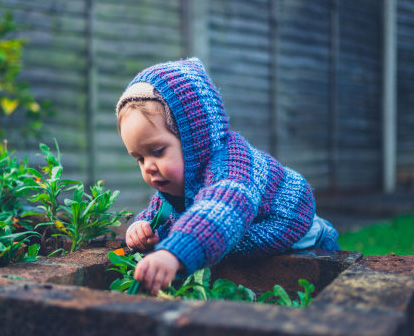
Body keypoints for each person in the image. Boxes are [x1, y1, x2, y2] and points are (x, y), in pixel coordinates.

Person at [115, 58, 339, 295]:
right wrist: (143, 227)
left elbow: (221, 209)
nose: (148, 166)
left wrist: (174, 254)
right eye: (139, 158)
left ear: (195, 140)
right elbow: (163, 210)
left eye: (157, 152)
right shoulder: (173, 185)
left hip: (302, 238)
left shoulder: (233, 167)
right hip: (246, 241)